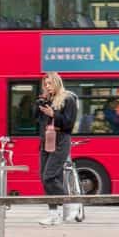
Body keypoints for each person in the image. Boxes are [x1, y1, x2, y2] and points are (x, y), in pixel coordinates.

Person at [36, 72, 83, 224]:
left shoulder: (68, 98)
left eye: (49, 83)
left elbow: (69, 123)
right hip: (46, 140)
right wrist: (41, 101)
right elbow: (34, 117)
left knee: (49, 176)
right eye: (45, 84)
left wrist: (53, 114)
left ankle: (73, 203)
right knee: (45, 178)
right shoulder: (46, 99)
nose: (47, 87)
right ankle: (53, 215)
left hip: (61, 139)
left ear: (56, 82)